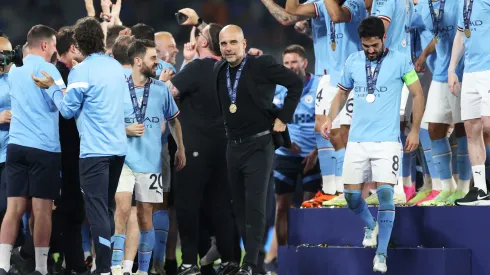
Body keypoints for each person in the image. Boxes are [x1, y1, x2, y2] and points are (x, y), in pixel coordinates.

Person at [321, 16, 425, 273]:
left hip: (387, 140)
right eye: (365, 45)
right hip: (357, 140)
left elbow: (417, 94)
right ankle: (370, 224)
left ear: (383, 39)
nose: (369, 50)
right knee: (351, 197)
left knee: (386, 194)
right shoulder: (353, 61)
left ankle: (381, 255)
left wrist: (414, 130)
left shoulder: (401, 60)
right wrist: (329, 118)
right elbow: (342, 93)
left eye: (374, 45)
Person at [32, 17, 127, 275]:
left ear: (78, 42)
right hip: (118, 149)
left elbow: (66, 110)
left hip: (94, 151)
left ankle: (104, 268)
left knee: (97, 211)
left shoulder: (80, 71)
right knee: (106, 208)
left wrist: (53, 88)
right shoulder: (116, 67)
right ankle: (106, 265)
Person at [214, 25, 303, 275]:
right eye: (223, 44)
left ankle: (251, 264)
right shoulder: (219, 70)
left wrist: (283, 118)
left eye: (233, 42)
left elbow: (295, 83)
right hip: (233, 145)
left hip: (260, 144)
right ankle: (256, 262)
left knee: (254, 206)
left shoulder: (261, 64)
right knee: (239, 207)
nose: (228, 48)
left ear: (244, 43)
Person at [167, 23, 240, 275]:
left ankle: (189, 262)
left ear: (204, 42)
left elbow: (169, 93)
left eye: (198, 34)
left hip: (194, 147)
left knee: (188, 205)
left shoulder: (198, 67)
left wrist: (171, 76)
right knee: (221, 206)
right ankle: (230, 260)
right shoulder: (230, 69)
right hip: (226, 147)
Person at [283, 0, 367, 208]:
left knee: (341, 134)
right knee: (322, 130)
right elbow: (291, 11)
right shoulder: (320, 4)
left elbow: (337, 16)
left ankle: (345, 189)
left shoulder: (355, 3)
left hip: (349, 76)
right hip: (326, 75)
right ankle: (329, 189)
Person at [115, 38, 184, 275]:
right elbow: (105, 122)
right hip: (123, 161)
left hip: (151, 162)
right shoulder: (118, 87)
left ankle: (143, 271)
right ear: (137, 61)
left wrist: (181, 148)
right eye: (153, 58)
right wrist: (125, 129)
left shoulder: (161, 89)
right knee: (122, 209)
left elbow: (174, 120)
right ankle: (118, 268)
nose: (158, 62)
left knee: (146, 217)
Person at [0, 25, 66, 275]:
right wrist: (58, 88)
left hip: (16, 147)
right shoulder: (49, 70)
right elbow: (66, 108)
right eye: (55, 45)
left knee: (13, 209)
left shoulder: (15, 72)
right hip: (44, 148)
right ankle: (40, 268)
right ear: (46, 45)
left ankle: (3, 265)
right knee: (42, 212)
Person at [413, 0, 470, 206]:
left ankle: (464, 188)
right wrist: (425, 53)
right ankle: (447, 188)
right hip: (440, 73)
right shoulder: (424, 7)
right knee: (434, 128)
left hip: (461, 72)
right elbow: (437, 36)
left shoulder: (458, 3)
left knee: (464, 128)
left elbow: (464, 33)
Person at [272, 44, 321, 247]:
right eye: (286, 63)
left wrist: (318, 152)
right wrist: (285, 140)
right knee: (282, 206)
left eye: (294, 62)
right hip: (285, 155)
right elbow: (269, 119)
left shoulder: (319, 86)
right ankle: (284, 257)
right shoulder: (277, 88)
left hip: (314, 156)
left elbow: (330, 121)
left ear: (304, 63)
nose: (290, 66)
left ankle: (308, 252)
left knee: (310, 206)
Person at [370, 0, 416, 206]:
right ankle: (389, 187)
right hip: (398, 64)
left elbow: (377, 32)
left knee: (389, 129)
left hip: (391, 69)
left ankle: (395, 188)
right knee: (388, 129)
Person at [53, 26, 88, 275]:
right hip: (66, 153)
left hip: (67, 152)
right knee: (70, 211)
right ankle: (35, 255)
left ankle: (69, 263)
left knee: (71, 211)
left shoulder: (64, 74)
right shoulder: (62, 75)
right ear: (73, 49)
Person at [450, 0, 490, 206]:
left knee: (488, 124)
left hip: (489, 70)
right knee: (471, 128)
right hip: (470, 72)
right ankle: (481, 188)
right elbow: (460, 35)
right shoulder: (461, 2)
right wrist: (451, 69)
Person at [110, 35, 142, 275]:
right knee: (131, 211)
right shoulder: (150, 80)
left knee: (117, 210)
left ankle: (114, 265)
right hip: (143, 154)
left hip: (112, 153)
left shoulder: (107, 78)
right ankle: (125, 267)